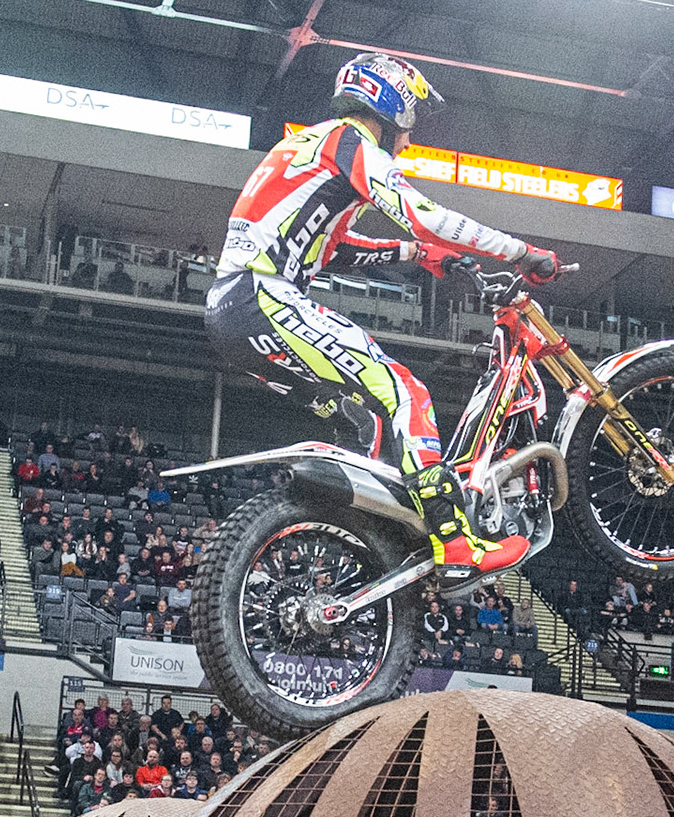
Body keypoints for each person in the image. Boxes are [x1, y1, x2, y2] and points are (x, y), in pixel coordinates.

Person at [207, 54, 558, 578]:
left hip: (231, 314)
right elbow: (425, 216)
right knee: (405, 391)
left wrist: (416, 254)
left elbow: (332, 250)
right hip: (264, 297)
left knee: (371, 422)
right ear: (392, 105)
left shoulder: (304, 147)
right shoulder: (348, 143)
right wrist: (521, 252)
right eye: (410, 122)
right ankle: (454, 541)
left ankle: (380, 542)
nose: (409, 140)